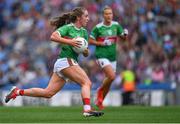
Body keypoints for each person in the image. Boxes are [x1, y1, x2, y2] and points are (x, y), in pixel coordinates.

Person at [5, 7, 104, 117]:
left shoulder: (84, 32)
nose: (88, 18)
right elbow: (53, 36)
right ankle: (87, 110)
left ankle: (17, 92)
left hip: (66, 63)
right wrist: (70, 42)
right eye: (86, 16)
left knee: (48, 93)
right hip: (66, 61)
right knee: (86, 83)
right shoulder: (68, 28)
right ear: (78, 18)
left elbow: (86, 53)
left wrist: (85, 51)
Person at [89, 6, 128, 109]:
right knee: (111, 76)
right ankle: (99, 91)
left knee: (109, 82)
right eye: (106, 14)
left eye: (110, 13)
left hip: (112, 57)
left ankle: (99, 101)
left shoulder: (116, 25)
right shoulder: (98, 27)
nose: (109, 16)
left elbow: (123, 38)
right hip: (101, 56)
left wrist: (125, 34)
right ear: (103, 15)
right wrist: (101, 43)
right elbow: (90, 41)